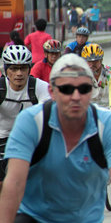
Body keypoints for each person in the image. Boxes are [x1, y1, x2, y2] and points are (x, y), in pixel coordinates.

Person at [0, 54, 111, 222]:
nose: (75, 96)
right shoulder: (31, 121)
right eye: (66, 89)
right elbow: (14, 184)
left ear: (92, 90)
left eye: (83, 89)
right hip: (36, 217)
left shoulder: (108, 124)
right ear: (52, 91)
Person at [0, 45, 50, 189]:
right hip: (3, 139)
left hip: (31, 138)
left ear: (29, 69)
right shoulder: (1, 88)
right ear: (5, 70)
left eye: (23, 68)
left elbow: (48, 115)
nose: (19, 73)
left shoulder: (40, 87)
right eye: (14, 69)